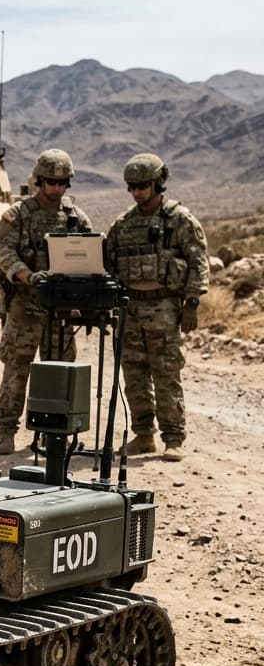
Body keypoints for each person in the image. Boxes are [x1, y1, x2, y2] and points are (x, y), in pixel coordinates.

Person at [105, 153, 209, 462]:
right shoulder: (123, 225)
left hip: (164, 307)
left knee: (166, 374)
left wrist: (192, 301)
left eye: (143, 186)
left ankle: (173, 437)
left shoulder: (179, 220)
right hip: (131, 308)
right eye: (132, 187)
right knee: (134, 374)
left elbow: (198, 261)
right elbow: (109, 263)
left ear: (158, 184)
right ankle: (143, 435)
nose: (137, 192)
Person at [0, 149, 93, 455]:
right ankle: (7, 430)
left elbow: (91, 254)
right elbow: (4, 251)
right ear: (39, 180)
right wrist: (27, 275)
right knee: (16, 369)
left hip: (61, 312)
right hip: (25, 307)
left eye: (62, 182)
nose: (55, 188)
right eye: (50, 181)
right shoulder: (18, 215)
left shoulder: (76, 217)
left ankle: (54, 433)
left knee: (59, 373)